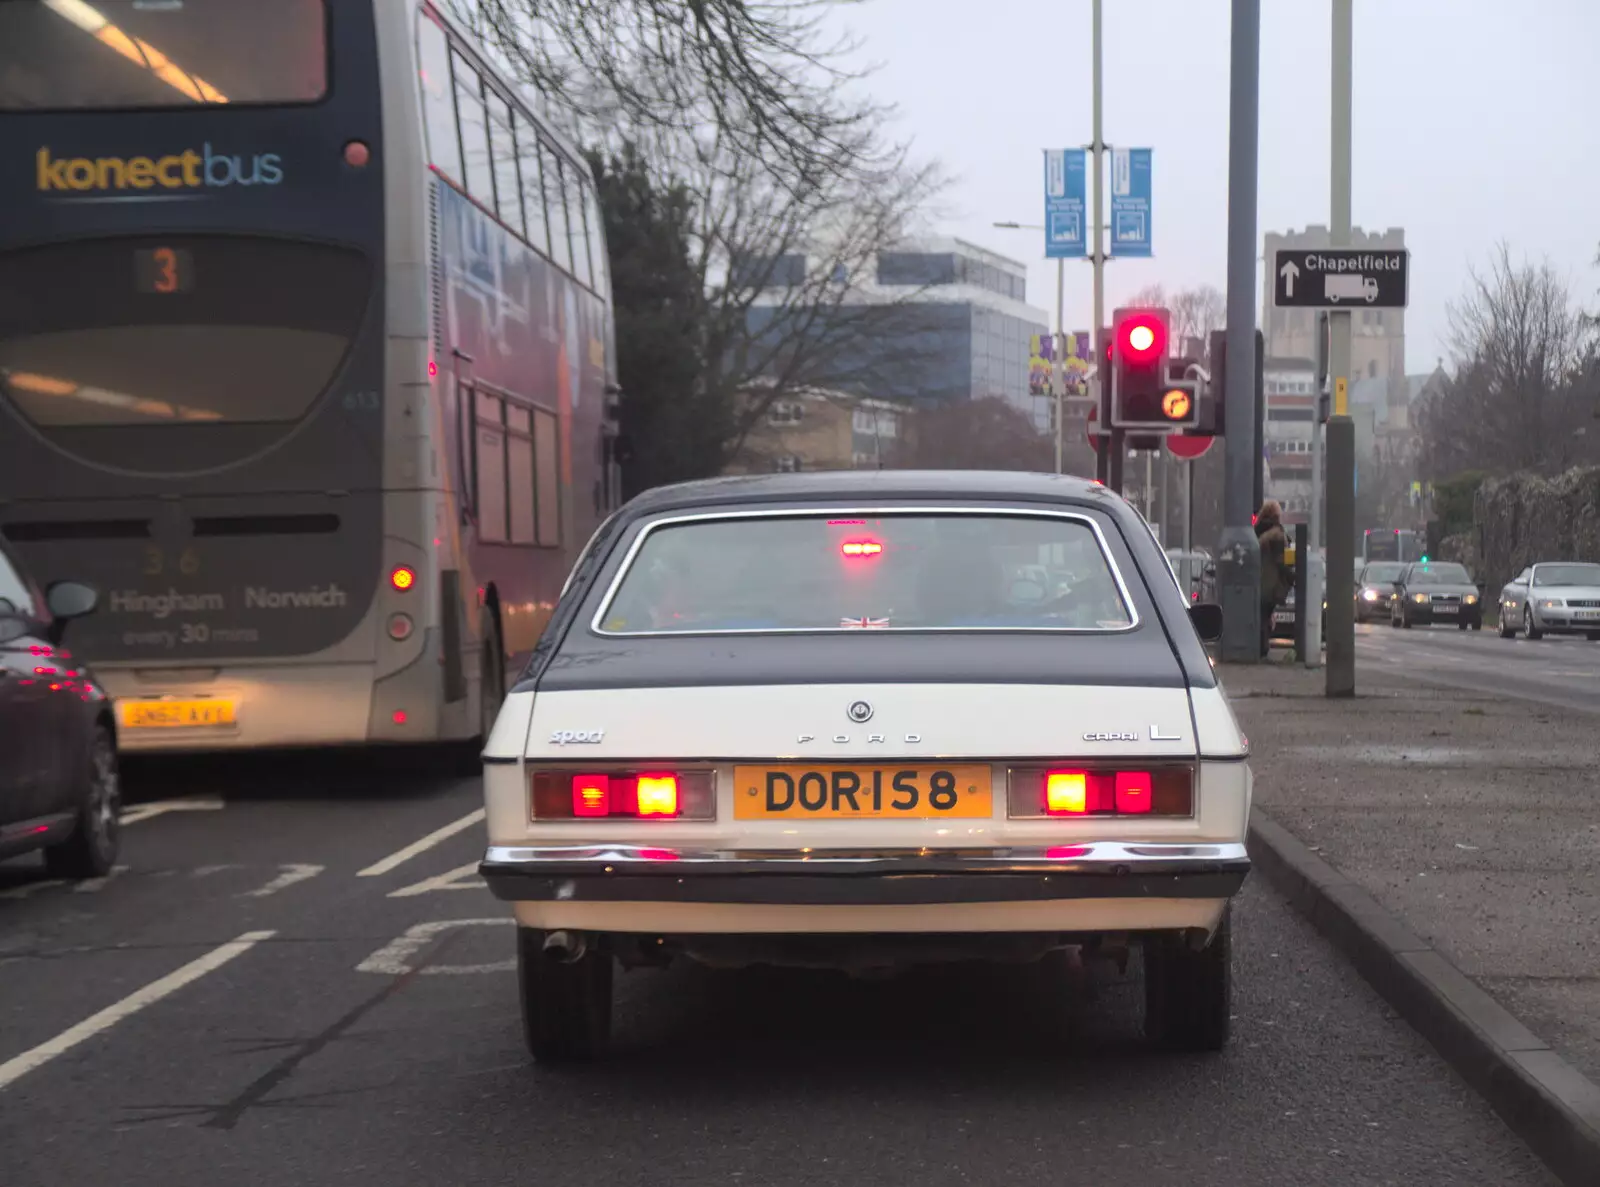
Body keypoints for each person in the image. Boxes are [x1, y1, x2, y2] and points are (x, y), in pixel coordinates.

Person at [1256, 500, 1292, 657]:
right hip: (1271, 582)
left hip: (1257, 581)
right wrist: (1291, 575)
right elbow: (1283, 560)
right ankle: (1262, 650)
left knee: (1262, 615)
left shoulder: (1256, 532)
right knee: (1265, 616)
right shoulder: (1277, 535)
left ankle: (1260, 648)